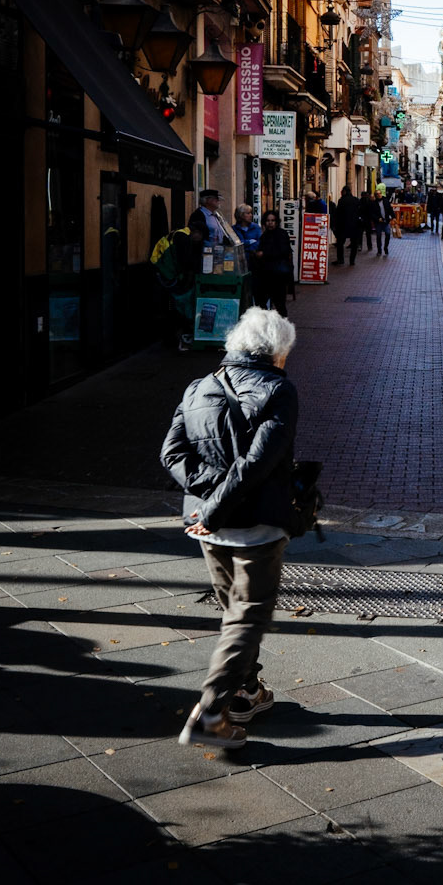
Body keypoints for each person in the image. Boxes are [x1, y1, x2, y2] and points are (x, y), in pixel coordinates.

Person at [161, 306, 298, 748]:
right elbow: (258, 463)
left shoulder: (199, 386)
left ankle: (247, 691)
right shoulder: (279, 389)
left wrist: (210, 504)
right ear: (278, 353)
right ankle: (211, 713)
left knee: (234, 613)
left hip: (208, 529)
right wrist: (218, 507)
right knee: (246, 617)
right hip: (253, 526)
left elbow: (172, 454)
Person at [155, 208, 210, 353]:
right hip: (171, 276)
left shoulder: (179, 233)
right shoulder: (183, 238)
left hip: (167, 274)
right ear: (196, 232)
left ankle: (173, 338)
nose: (200, 240)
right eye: (201, 237)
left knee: (173, 308)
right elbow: (186, 262)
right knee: (177, 308)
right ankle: (176, 340)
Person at [253, 208, 295, 315]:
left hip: (278, 276)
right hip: (266, 275)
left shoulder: (282, 234)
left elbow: (283, 251)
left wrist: (264, 254)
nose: (270, 223)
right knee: (262, 302)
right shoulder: (264, 235)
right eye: (268, 221)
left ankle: (282, 322)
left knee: (279, 303)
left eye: (272, 220)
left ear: (276, 222)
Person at [331, 187, 360, 267]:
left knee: (340, 243)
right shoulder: (356, 200)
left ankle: (340, 259)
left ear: (344, 192)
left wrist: (335, 224)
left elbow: (338, 213)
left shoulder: (342, 201)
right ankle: (352, 260)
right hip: (354, 225)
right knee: (354, 244)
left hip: (343, 225)